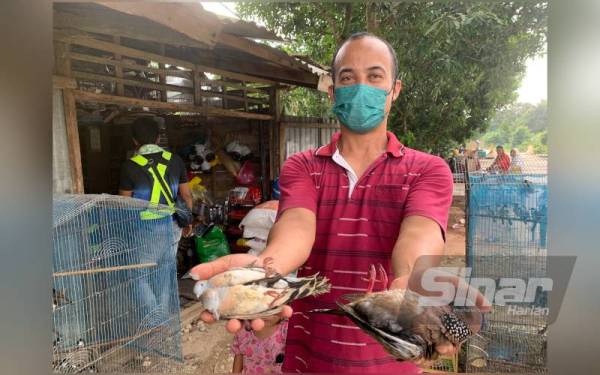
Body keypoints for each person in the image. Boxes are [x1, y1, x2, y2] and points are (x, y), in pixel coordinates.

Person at [192, 32, 490, 373]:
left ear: (394, 90)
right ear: (333, 92)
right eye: (348, 78)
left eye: (375, 76)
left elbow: (420, 231)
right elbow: (296, 228)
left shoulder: (428, 170)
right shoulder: (303, 166)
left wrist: (407, 280)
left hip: (387, 364)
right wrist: (264, 271)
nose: (361, 87)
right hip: (310, 356)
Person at [119, 117, 193, 318]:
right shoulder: (175, 160)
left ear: (134, 141)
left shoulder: (129, 166)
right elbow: (186, 196)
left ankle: (155, 317)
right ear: (158, 138)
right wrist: (188, 221)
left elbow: (125, 204)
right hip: (173, 224)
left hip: (145, 229)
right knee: (165, 272)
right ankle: (164, 315)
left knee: (138, 275)